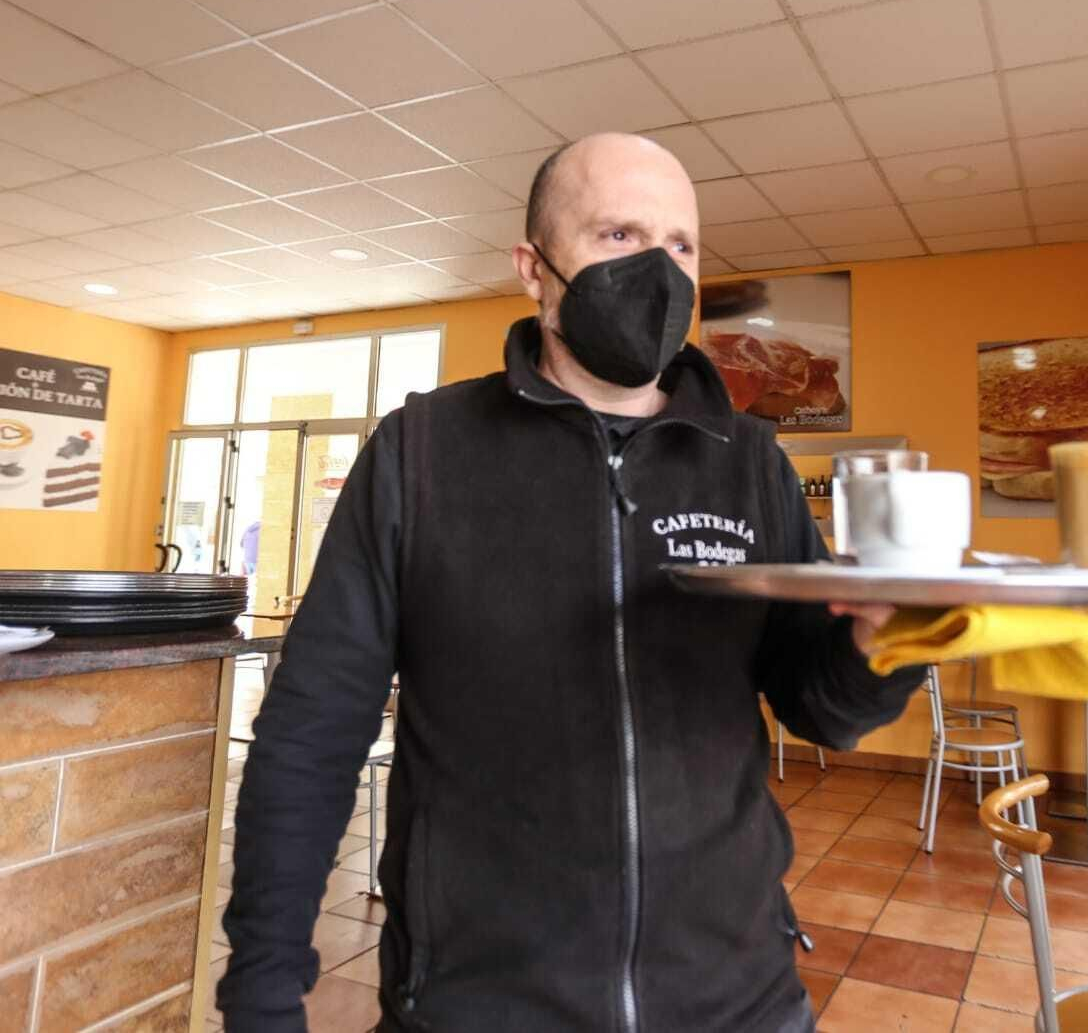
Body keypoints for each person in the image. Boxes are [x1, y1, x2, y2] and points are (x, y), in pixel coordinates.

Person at [217, 132, 925, 1032]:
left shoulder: (749, 463)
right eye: (619, 235)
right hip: (477, 1005)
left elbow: (821, 708)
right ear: (534, 269)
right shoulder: (422, 453)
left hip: (736, 998)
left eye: (680, 245)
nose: (658, 270)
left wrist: (884, 640)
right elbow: (313, 730)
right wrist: (263, 985)